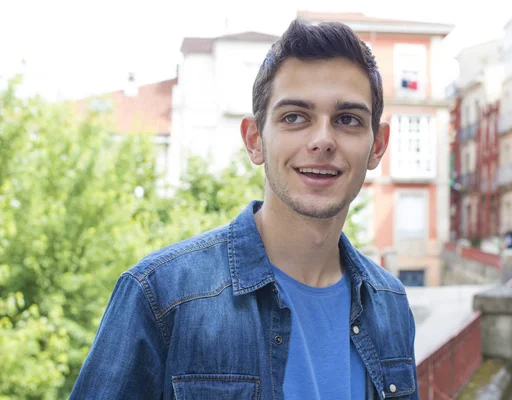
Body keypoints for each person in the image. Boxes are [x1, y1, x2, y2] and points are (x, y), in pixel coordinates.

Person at [70, 19, 419, 400]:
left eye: (347, 119)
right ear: (255, 140)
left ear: (378, 145)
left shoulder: (390, 303)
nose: (322, 140)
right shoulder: (161, 296)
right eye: (294, 117)